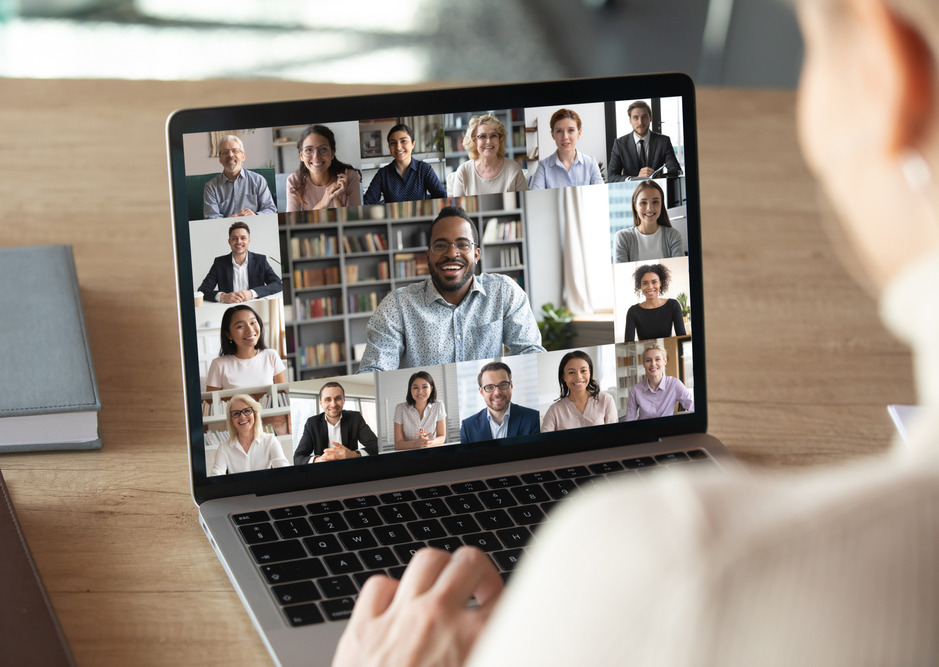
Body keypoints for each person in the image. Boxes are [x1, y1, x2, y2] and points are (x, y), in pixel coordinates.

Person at [333, 1, 939, 664]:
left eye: (816, 50)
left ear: (887, 73)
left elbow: (531, 355)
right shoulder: (400, 308)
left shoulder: (671, 565)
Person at [359, 206, 545, 372]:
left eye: (463, 245)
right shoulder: (397, 305)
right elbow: (375, 369)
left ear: (476, 254)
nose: (451, 253)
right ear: (427, 256)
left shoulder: (504, 291)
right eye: (440, 246)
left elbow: (531, 353)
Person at [294, 382, 379, 464]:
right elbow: (298, 458)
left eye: (338, 398)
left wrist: (353, 454)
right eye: (328, 400)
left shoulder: (355, 418)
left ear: (344, 400)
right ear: (321, 403)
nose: (333, 404)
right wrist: (320, 459)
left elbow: (376, 445)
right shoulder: (312, 423)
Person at [197, 221, 282, 303]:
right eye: (234, 238)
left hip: (256, 308)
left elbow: (278, 284)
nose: (239, 242)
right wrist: (223, 296)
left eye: (243, 238)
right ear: (229, 242)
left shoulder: (260, 260)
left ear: (249, 241)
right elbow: (202, 290)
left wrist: (252, 293)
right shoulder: (219, 263)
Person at [205, 305, 287, 391]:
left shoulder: (271, 356)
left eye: (253, 323)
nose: (250, 330)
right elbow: (212, 403)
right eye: (240, 326)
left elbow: (282, 396)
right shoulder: (218, 364)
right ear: (228, 334)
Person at [362, 124, 448, 204]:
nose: (398, 147)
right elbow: (367, 202)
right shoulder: (382, 174)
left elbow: (442, 197)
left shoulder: (424, 169)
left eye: (403, 141)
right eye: (393, 143)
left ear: (413, 144)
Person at [459, 361, 541, 443]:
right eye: (490, 387)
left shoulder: (533, 418)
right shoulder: (468, 427)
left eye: (503, 385)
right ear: (481, 392)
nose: (497, 393)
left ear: (511, 386)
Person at [286, 125, 362, 212]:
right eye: (309, 150)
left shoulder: (349, 177)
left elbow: (353, 222)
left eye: (323, 149)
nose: (316, 156)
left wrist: (335, 198)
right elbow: (293, 224)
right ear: (301, 156)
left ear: (332, 153)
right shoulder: (294, 181)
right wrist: (324, 202)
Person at [209, 394, 289, 475]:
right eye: (236, 413)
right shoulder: (224, 447)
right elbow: (216, 477)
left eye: (247, 411)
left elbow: (285, 472)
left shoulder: (270, 441)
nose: (242, 417)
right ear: (231, 421)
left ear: (254, 414)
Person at [449, 115, 528, 196]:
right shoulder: (463, 172)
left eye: (493, 135)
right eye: (482, 136)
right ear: (474, 141)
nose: (489, 141)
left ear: (499, 139)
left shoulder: (514, 169)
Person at [202, 135, 277, 219]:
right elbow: (211, 218)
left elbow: (270, 209)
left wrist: (256, 216)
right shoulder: (211, 187)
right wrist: (230, 219)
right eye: (225, 152)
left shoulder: (258, 180)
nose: (230, 155)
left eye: (235, 151)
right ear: (220, 159)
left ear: (243, 156)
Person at [540, 350, 617, 431]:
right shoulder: (554, 410)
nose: (578, 377)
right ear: (564, 376)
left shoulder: (606, 400)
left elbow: (615, 435)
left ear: (589, 373)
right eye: (571, 372)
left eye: (583, 371)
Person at [606, 101, 682, 183]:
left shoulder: (663, 141)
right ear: (630, 121)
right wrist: (634, 178)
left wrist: (661, 178)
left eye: (644, 117)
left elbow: (676, 170)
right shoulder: (620, 143)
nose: (640, 122)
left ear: (650, 118)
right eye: (635, 117)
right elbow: (611, 176)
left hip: (657, 189)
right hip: (631, 191)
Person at [529, 109, 605, 189]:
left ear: (579, 133)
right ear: (553, 135)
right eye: (559, 131)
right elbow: (536, 198)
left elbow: (600, 195)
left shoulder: (591, 163)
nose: (565, 137)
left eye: (571, 130)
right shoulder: (544, 166)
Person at [613, 180, 684, 263]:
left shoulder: (673, 236)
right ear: (635, 206)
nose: (649, 208)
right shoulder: (623, 238)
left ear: (661, 204)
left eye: (655, 202)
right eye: (643, 203)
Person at [625, 343, 694, 420]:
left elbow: (694, 407)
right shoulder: (635, 390)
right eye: (648, 360)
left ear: (665, 361)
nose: (653, 364)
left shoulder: (675, 384)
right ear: (644, 364)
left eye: (657, 359)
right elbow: (629, 420)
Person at [623, 263, 686, 342]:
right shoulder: (633, 312)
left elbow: (682, 338)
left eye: (654, 282)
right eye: (645, 283)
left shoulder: (673, 305)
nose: (650, 287)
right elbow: (628, 343)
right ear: (640, 285)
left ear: (660, 283)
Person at [393, 371, 447, 449]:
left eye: (424, 387)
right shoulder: (400, 408)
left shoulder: (439, 405)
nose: (420, 391)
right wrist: (415, 444)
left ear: (431, 389)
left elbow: (442, 437)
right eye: (415, 387)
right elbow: (398, 444)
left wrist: (427, 442)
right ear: (410, 390)